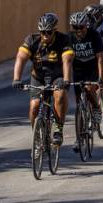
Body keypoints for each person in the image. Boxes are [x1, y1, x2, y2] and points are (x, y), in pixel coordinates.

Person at [12, 13, 73, 145]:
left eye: (48, 32)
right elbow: (20, 58)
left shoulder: (63, 39)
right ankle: (37, 134)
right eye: (42, 32)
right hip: (38, 77)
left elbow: (67, 60)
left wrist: (66, 80)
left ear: (55, 30)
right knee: (34, 106)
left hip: (57, 76)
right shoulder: (32, 40)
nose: (45, 35)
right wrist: (16, 78)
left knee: (60, 95)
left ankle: (58, 129)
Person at [67, 10, 103, 151]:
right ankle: (78, 139)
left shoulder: (94, 35)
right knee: (79, 105)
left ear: (86, 26)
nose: (78, 31)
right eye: (75, 28)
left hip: (92, 68)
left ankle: (96, 107)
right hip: (78, 70)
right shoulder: (70, 37)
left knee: (89, 89)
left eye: (81, 28)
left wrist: (101, 78)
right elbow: (67, 59)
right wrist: (65, 78)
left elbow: (100, 57)